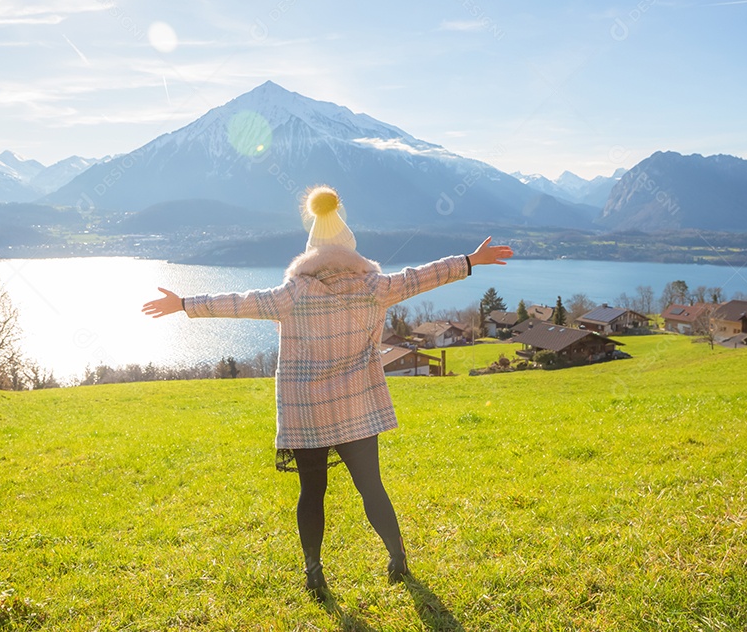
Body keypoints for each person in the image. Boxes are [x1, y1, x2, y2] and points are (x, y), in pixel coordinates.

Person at [141, 185, 512, 597]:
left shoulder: (290, 295)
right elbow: (421, 276)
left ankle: (314, 571)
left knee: (311, 492)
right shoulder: (375, 287)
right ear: (350, 249)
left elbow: (238, 301)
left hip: (306, 411)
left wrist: (185, 303)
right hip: (356, 406)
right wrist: (470, 261)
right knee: (371, 486)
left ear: (309, 254)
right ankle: (398, 558)